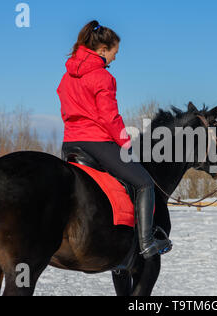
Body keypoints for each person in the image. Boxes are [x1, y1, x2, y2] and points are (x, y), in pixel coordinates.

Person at [57, 20, 172, 259]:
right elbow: (110, 117)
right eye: (114, 53)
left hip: (70, 143)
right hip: (97, 143)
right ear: (102, 50)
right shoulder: (102, 77)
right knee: (144, 183)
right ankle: (147, 243)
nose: (115, 58)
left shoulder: (66, 76)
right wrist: (125, 143)